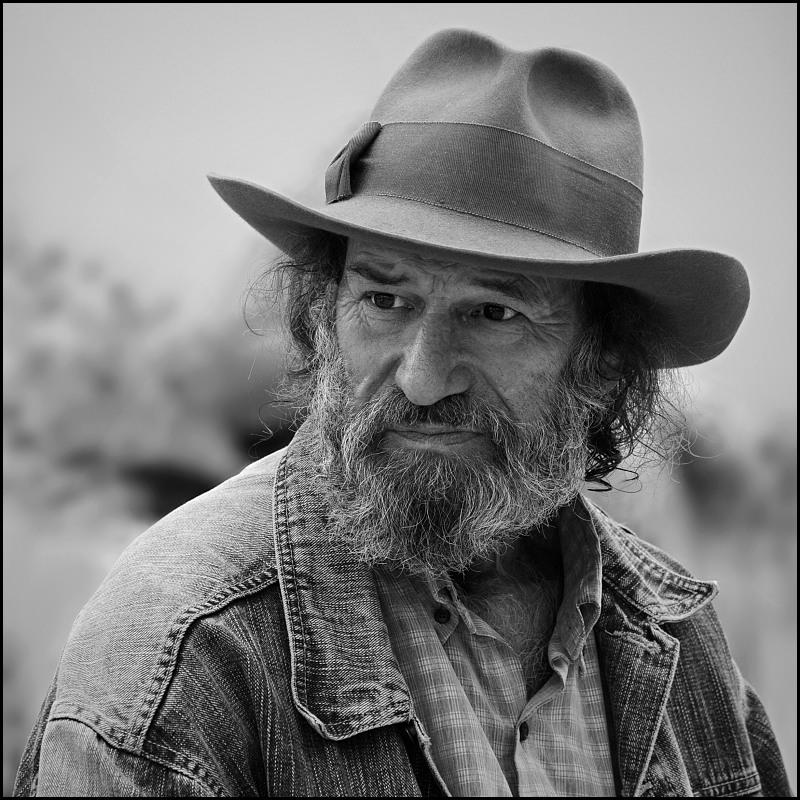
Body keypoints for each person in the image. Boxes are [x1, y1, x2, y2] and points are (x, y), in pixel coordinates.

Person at [14, 28, 791, 798]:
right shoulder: (186, 647)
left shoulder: (679, 642)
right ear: (323, 314)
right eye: (385, 300)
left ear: (605, 362)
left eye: (493, 313)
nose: (421, 380)